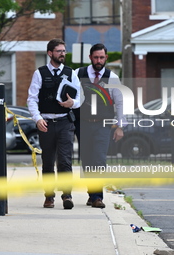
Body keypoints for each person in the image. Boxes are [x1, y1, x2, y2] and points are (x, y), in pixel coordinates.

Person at [27, 38, 82, 210]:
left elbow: (80, 98)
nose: (62, 54)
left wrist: (72, 103)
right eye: (59, 51)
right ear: (50, 53)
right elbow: (32, 99)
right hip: (46, 123)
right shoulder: (40, 73)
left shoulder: (70, 72)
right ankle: (49, 196)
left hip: (65, 122)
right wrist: (37, 118)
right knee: (48, 161)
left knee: (65, 161)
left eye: (64, 51)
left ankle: (67, 195)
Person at [75, 43, 126, 208]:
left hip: (103, 125)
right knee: (87, 160)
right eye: (96, 57)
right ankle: (92, 194)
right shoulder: (78, 74)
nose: (98, 60)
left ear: (106, 58)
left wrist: (120, 126)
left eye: (101, 57)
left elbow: (120, 103)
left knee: (99, 159)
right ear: (90, 57)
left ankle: (98, 197)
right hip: (82, 124)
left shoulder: (112, 78)